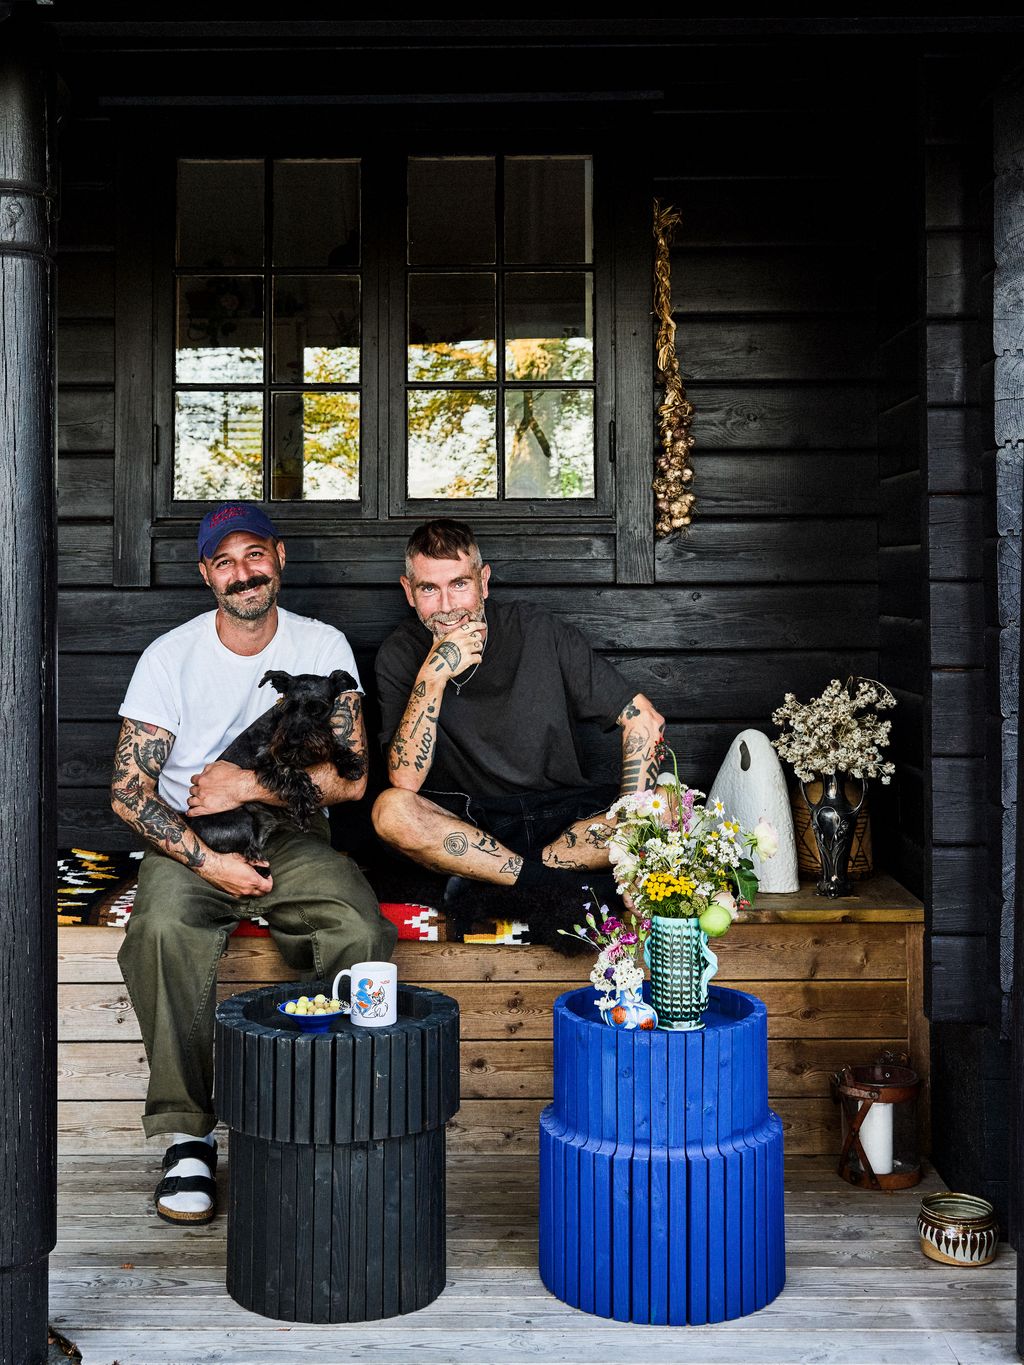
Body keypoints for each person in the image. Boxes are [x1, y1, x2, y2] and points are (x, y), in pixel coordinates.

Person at [111, 501, 396, 1225]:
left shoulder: (321, 642)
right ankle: (187, 1135)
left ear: (280, 558)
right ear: (207, 572)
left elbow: (353, 778)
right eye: (226, 560)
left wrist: (248, 783)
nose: (244, 572)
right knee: (160, 931)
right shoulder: (169, 657)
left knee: (359, 929)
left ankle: (325, 1111)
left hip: (290, 830)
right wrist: (209, 862)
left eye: (254, 554)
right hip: (190, 833)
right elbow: (128, 791)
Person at [372, 519, 665, 922]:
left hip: (563, 821)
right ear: (409, 591)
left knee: (666, 806)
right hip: (471, 824)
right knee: (390, 811)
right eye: (428, 589)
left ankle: (508, 881)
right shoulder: (399, 653)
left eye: (459, 584)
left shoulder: (537, 629)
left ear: (484, 581)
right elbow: (405, 782)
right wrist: (433, 674)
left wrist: (633, 825)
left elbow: (645, 720)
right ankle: (552, 886)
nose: (446, 606)